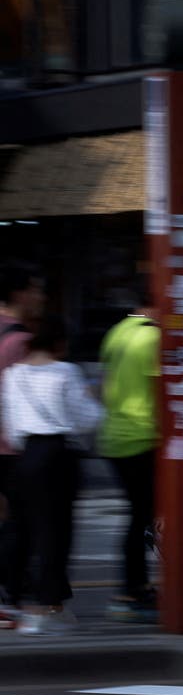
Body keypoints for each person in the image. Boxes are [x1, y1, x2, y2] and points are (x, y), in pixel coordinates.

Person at [1, 315, 103, 635]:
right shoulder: (66, 372)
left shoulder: (14, 374)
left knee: (23, 528)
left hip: (26, 454)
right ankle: (51, 605)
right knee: (56, 532)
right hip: (57, 454)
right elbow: (89, 419)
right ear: (60, 343)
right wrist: (93, 399)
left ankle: (14, 597)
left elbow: (12, 425)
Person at [97, 286, 161, 622]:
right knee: (141, 517)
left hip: (113, 437)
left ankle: (136, 586)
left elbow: (105, 385)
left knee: (139, 515)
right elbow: (162, 390)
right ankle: (132, 590)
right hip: (142, 436)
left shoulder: (117, 332)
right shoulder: (152, 339)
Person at [0, 262, 44, 626]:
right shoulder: (21, 341)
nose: (39, 296)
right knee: (19, 524)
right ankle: (9, 596)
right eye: (35, 289)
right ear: (19, 293)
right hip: (12, 447)